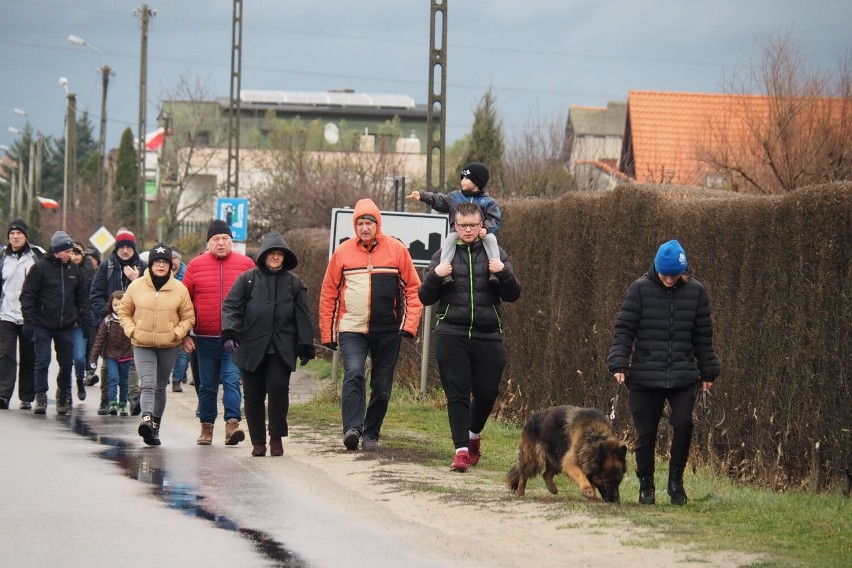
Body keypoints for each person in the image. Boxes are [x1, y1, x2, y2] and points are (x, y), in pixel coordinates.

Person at [607, 239, 720, 506]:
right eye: (664, 274)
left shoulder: (696, 293)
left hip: (682, 375)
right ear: (656, 269)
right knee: (645, 434)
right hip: (645, 376)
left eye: (674, 274)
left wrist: (708, 372)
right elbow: (624, 330)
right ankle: (646, 485)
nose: (669, 279)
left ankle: (675, 482)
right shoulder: (639, 290)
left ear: (682, 271)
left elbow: (703, 337)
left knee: (683, 424)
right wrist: (619, 362)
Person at [418, 202, 521, 472]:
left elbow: (513, 294)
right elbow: (425, 297)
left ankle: (473, 436)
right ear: (455, 226)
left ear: (481, 226)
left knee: (488, 392)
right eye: (462, 225)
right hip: (452, 331)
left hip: (488, 332)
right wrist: (435, 276)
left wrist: (503, 272)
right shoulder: (444, 255)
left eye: (472, 225)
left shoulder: (496, 253)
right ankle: (461, 452)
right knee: (458, 393)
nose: (467, 230)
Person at [319, 198, 423, 451]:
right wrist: (328, 332)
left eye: (369, 223)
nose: (364, 228)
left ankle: (372, 432)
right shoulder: (343, 252)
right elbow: (328, 292)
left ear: (378, 224)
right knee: (353, 373)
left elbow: (413, 289)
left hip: (387, 330)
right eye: (360, 223)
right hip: (352, 328)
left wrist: (409, 325)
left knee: (382, 385)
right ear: (355, 226)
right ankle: (352, 429)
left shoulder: (397, 250)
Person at [221, 231, 316, 457]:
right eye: (271, 253)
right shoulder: (247, 280)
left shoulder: (294, 283)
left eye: (279, 254)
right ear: (263, 255)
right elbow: (231, 307)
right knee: (253, 395)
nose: (275, 257)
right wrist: (230, 332)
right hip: (251, 346)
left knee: (278, 390)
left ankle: (275, 437)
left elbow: (303, 316)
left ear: (285, 257)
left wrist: (305, 345)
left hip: (281, 347)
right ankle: (258, 442)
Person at [182, 220, 254, 446]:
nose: (221, 243)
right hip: (204, 337)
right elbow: (183, 302)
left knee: (232, 380)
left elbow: (255, 300)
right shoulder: (195, 266)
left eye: (225, 239)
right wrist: (185, 333)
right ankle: (206, 428)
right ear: (208, 243)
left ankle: (232, 425)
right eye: (216, 239)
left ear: (232, 242)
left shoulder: (246, 264)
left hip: (234, 338)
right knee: (207, 384)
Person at [118, 244, 195, 445]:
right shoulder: (136, 286)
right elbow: (124, 311)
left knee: (160, 386)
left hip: (169, 346)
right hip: (142, 343)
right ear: (150, 264)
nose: (161, 265)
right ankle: (146, 419)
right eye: (157, 262)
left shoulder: (180, 289)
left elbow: (188, 317)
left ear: (171, 266)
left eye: (165, 262)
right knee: (148, 384)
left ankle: (155, 427)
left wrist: (177, 333)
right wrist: (131, 330)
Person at [20, 230, 90, 415]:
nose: (70, 255)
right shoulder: (40, 268)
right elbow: (27, 295)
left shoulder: (74, 271)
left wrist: (86, 322)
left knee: (67, 363)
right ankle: (41, 395)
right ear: (57, 251)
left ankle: (63, 394)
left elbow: (82, 298)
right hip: (42, 323)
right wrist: (29, 321)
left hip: (66, 325)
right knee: (42, 360)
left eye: (71, 252)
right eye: (67, 251)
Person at [88, 228, 146, 416]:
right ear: (117, 248)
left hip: (137, 324)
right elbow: (95, 294)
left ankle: (133, 398)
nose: (126, 251)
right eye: (122, 247)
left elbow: (152, 291)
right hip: (112, 325)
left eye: (129, 247)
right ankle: (106, 400)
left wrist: (137, 279)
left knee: (132, 363)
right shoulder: (107, 266)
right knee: (109, 366)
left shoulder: (143, 267)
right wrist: (106, 313)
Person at [407, 162, 501, 277]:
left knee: (491, 239)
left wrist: (486, 229)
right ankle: (444, 268)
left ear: (477, 181)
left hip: (481, 233)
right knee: (450, 239)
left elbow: (494, 218)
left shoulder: (489, 202)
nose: (462, 180)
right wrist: (422, 195)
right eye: (462, 178)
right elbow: (439, 199)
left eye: (466, 178)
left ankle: (495, 271)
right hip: (457, 233)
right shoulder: (455, 197)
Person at [0, 220, 43, 410]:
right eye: (12, 234)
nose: (15, 237)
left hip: (29, 316)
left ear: (25, 236)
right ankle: (3, 394)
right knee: (5, 355)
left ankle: (26, 396)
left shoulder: (36, 256)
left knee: (29, 356)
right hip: (5, 315)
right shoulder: (2, 257)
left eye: (19, 233)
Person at [89, 291, 134, 416]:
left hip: (126, 355)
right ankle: (112, 403)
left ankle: (123, 404)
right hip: (111, 355)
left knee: (124, 381)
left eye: (121, 304)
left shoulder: (131, 320)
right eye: (115, 305)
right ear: (110, 306)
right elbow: (99, 340)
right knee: (113, 378)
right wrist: (93, 359)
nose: (118, 308)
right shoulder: (107, 321)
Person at [69, 241, 95, 402]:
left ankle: (80, 379)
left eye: (77, 254)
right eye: (70, 253)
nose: (73, 257)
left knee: (79, 357)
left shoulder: (90, 273)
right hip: (63, 321)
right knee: (65, 360)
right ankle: (64, 391)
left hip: (81, 321)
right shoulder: (62, 269)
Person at [168, 248, 189, 392]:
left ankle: (177, 380)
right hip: (166, 317)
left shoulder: (188, 274)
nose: (172, 261)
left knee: (182, 352)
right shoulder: (163, 274)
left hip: (182, 317)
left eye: (175, 258)